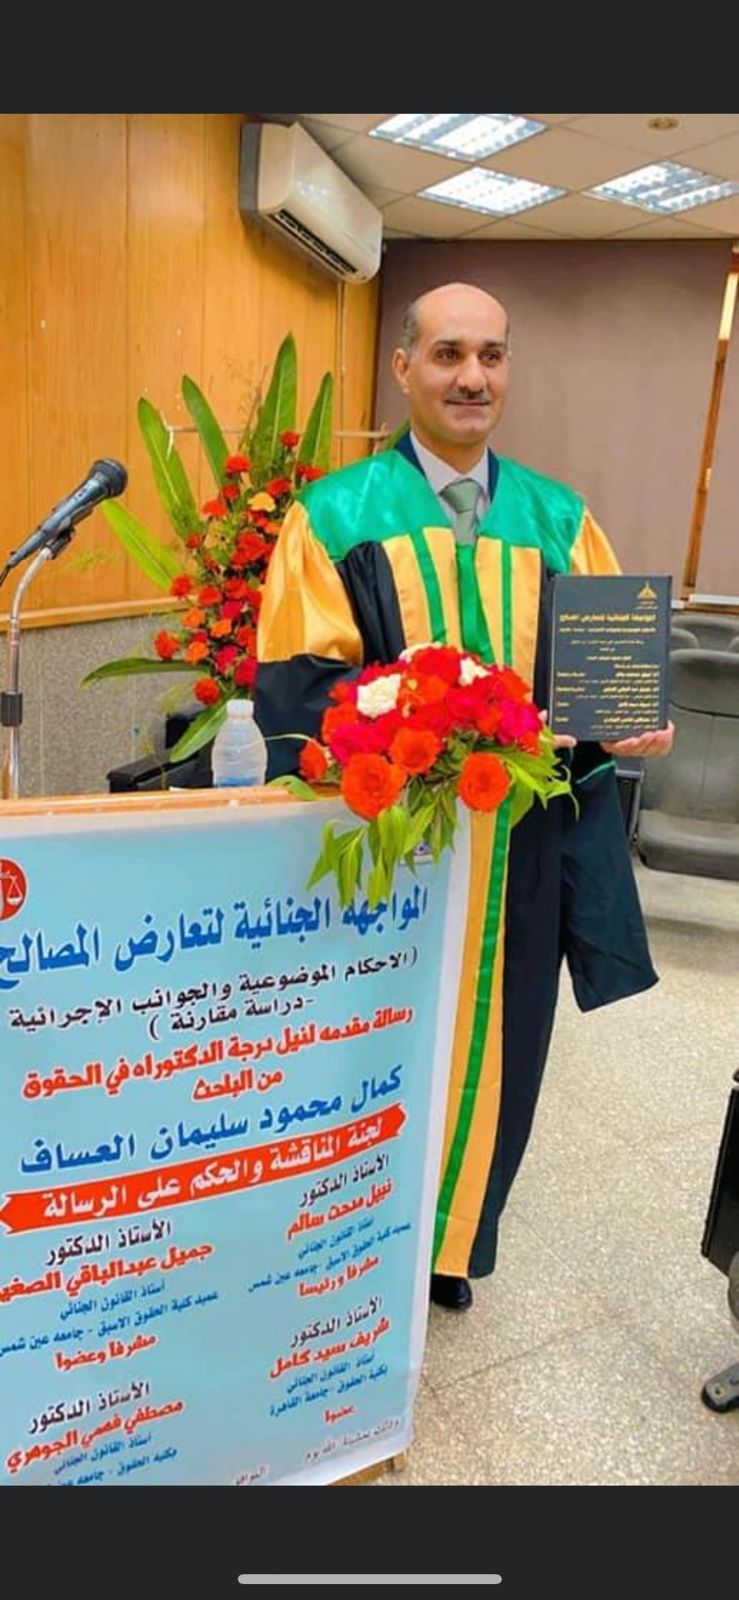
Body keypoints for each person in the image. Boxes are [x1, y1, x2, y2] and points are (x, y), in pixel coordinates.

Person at [255, 282, 673, 1312]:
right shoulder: (335, 516)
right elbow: (301, 691)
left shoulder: (559, 519)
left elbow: (600, 695)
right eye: (448, 354)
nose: (472, 377)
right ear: (403, 369)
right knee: (370, 1040)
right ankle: (355, 1240)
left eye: (491, 355)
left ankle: (452, 1242)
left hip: (520, 853)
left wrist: (629, 726)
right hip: (390, 846)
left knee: (503, 1051)